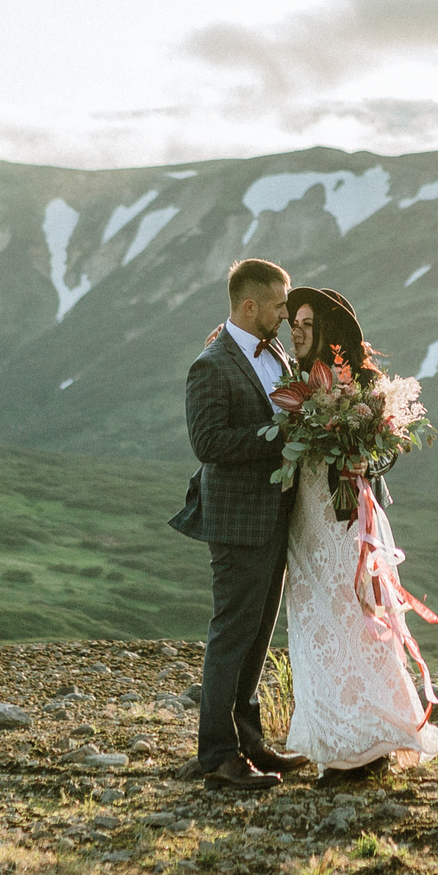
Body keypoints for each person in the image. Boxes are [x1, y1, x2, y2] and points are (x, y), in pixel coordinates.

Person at [276, 285, 438, 784]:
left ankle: (364, 745)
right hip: (305, 521)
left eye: (307, 324)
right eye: (295, 323)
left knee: (357, 621)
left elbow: (387, 449)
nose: (297, 331)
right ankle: (338, 739)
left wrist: (363, 456)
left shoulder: (358, 383)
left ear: (328, 331)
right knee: (315, 624)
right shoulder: (292, 379)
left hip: (349, 522)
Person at [168, 257, 310, 790]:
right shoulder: (211, 365)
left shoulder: (275, 353)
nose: (286, 315)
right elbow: (207, 444)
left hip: (275, 518)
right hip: (236, 521)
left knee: (257, 637)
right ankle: (218, 756)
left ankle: (251, 744)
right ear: (249, 306)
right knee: (231, 635)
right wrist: (276, 435)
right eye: (279, 306)